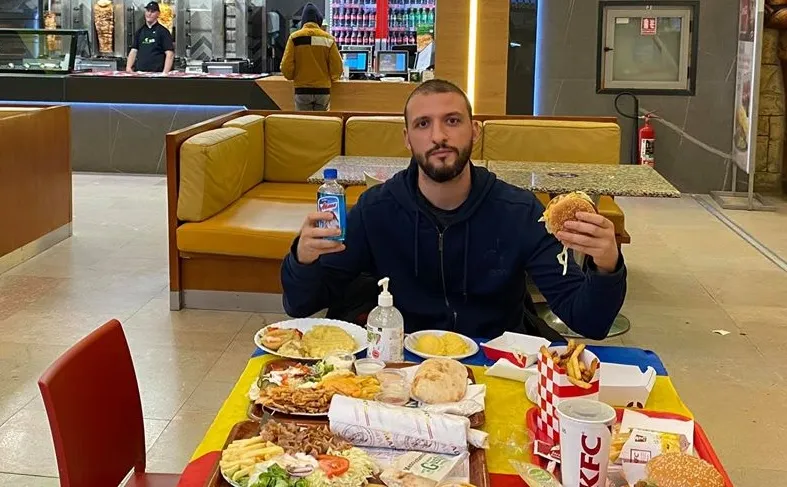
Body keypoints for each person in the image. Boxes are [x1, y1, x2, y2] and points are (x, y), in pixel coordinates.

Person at [281, 79, 627, 340]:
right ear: (407, 138)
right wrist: (303, 259)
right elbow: (300, 306)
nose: (438, 136)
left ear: (474, 131)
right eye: (423, 124)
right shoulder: (375, 210)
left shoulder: (519, 212)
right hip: (403, 365)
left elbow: (589, 322)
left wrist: (606, 265)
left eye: (452, 121)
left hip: (496, 362)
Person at [280, 2, 343, 111]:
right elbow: (337, 67)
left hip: (302, 90)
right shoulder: (328, 39)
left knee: (305, 120)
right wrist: (333, 77)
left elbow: (286, 66)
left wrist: (291, 76)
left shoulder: (294, 38)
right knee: (321, 120)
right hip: (323, 91)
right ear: (319, 20)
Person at [125, 1, 174, 74]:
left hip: (157, 74)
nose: (149, 14)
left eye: (152, 11)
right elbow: (133, 51)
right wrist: (128, 67)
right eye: (148, 11)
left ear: (158, 14)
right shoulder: (139, 32)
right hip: (140, 73)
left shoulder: (163, 32)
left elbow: (170, 54)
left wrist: (164, 73)